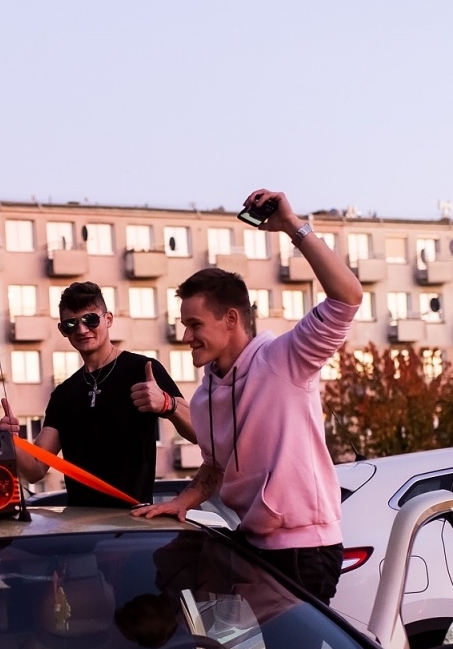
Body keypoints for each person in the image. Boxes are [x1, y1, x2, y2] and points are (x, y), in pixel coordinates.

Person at [137, 188, 363, 605]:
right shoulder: (204, 396)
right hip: (254, 546)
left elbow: (347, 297)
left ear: (231, 319)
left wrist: (293, 227)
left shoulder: (285, 359)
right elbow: (214, 468)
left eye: (194, 324)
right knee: (173, 583)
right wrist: (183, 501)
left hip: (305, 550)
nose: (185, 336)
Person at [0, 281, 195, 507]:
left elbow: (199, 434)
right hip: (82, 529)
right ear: (63, 331)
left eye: (90, 319)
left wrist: (166, 404)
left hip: (133, 523)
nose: (82, 330)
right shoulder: (64, 394)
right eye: (71, 324)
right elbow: (35, 469)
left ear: (108, 319)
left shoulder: (143, 369)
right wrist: (11, 441)